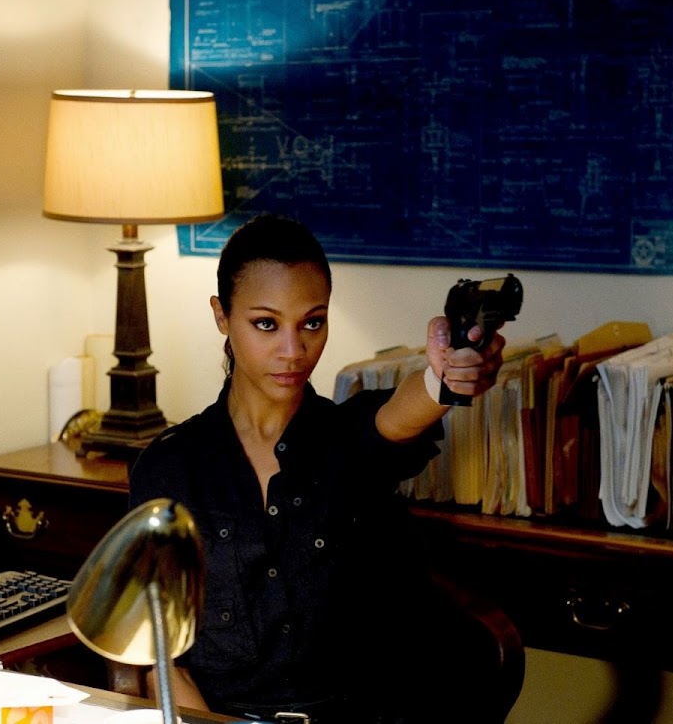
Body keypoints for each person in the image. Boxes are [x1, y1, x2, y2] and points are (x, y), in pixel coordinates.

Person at [127, 213, 507, 723]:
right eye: (266, 324)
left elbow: (395, 416)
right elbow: (163, 663)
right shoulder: (169, 466)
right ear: (222, 315)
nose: (294, 350)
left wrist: (444, 379)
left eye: (312, 322)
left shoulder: (346, 440)